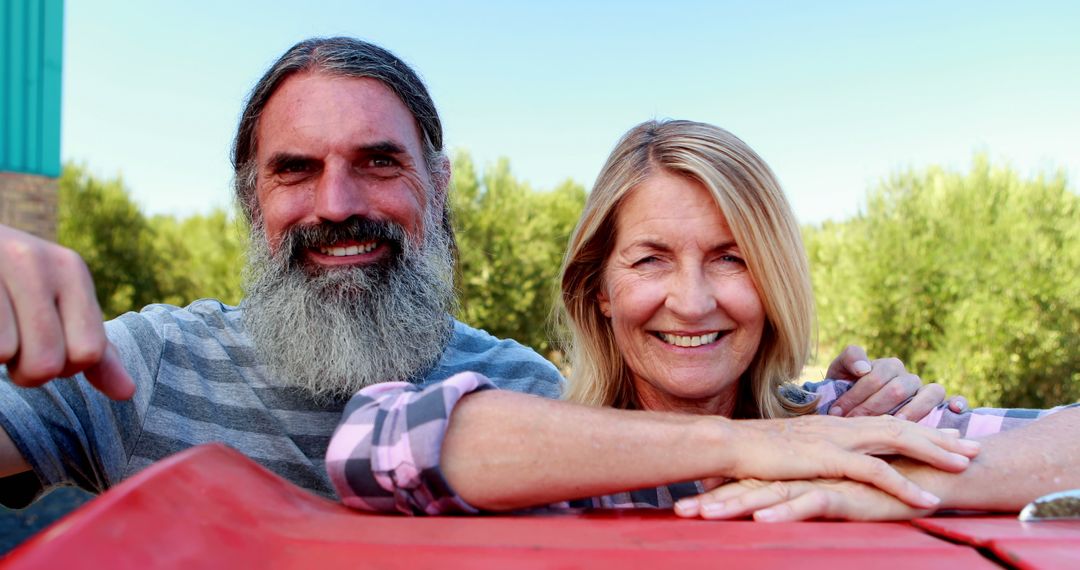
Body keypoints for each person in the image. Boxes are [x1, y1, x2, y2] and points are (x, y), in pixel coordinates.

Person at [0, 38, 940, 508]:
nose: (336, 204)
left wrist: (870, 426)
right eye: (295, 170)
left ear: (438, 188)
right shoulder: (144, 362)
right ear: (253, 201)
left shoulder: (524, 387)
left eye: (377, 162)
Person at [326, 120, 1001, 516]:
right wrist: (736, 446)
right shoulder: (543, 455)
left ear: (774, 284)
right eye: (650, 260)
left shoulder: (841, 423)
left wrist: (883, 485)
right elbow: (364, 445)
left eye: (731, 259)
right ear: (600, 289)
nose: (693, 301)